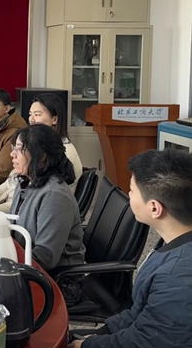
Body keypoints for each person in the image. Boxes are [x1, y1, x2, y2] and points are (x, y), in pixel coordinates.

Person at [69, 149, 192, 348]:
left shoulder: (177, 278)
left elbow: (145, 341)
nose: (128, 195)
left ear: (154, 208)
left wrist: (86, 345)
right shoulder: (174, 239)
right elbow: (140, 311)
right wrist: (102, 333)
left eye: (132, 191)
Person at [9, 124, 85, 305]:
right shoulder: (27, 182)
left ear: (42, 156)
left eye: (19, 149)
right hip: (29, 266)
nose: (13, 154)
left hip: (57, 280)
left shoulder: (53, 195)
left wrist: (5, 263)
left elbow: (46, 257)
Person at [0, 93, 83, 212]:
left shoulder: (62, 152)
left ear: (55, 119)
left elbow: (33, 199)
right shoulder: (36, 146)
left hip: (29, 212)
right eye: (30, 114)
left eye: (37, 114)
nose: (32, 119)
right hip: (9, 206)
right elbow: (12, 180)